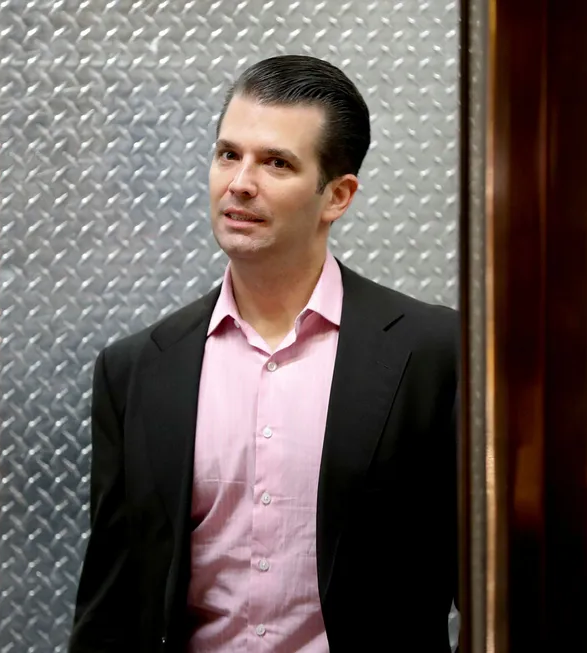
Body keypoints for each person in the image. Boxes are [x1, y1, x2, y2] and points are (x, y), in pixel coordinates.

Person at [68, 54, 458, 653]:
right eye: (229, 154)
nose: (240, 182)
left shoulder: (433, 357)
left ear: (338, 196)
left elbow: (491, 591)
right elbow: (113, 608)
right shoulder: (136, 370)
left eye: (276, 162)